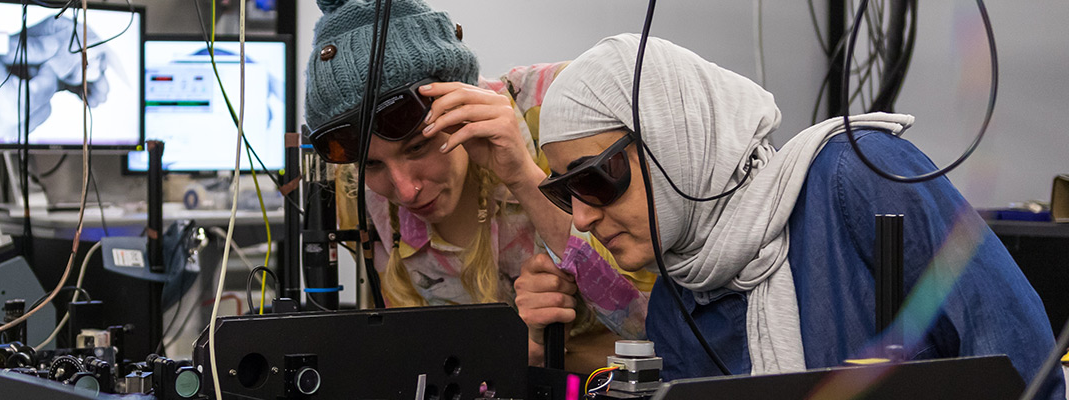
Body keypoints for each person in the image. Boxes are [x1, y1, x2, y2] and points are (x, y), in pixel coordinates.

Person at [515, 33, 1063, 396]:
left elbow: (1021, 354)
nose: (582, 217)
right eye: (567, 192)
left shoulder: (856, 175)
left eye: (593, 179)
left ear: (672, 139)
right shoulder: (678, 307)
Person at [302, 0, 652, 371]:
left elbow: (668, 328)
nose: (405, 191)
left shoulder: (563, 109)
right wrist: (525, 352)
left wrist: (521, 174)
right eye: (373, 164)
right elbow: (418, 356)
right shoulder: (359, 190)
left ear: (460, 98)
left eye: (418, 146)